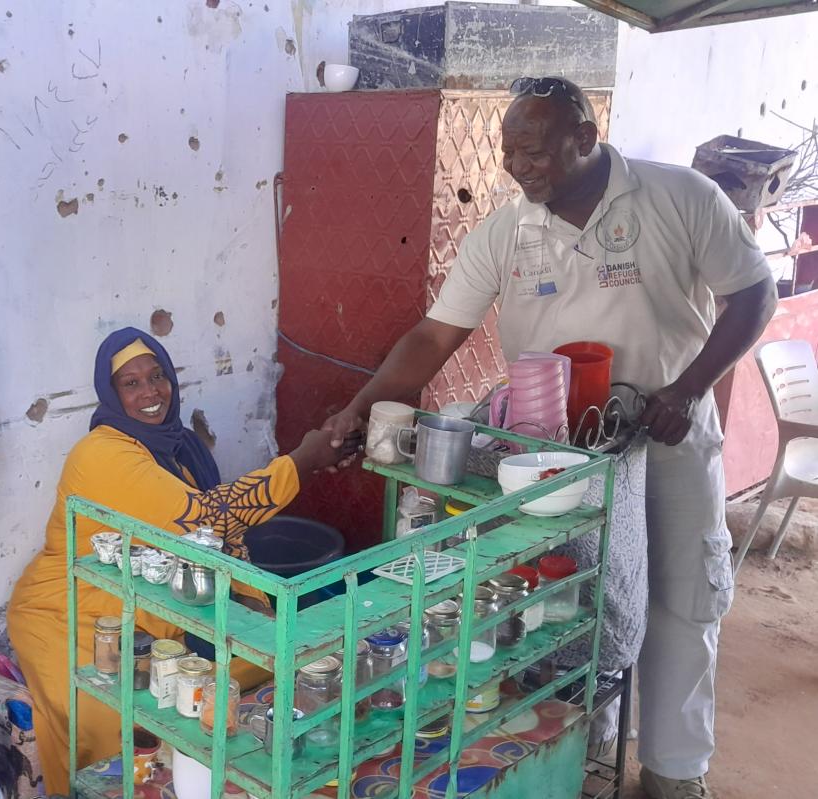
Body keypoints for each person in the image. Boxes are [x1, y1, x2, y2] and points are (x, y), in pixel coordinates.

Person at [322, 77, 775, 799]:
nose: (518, 165)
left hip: (669, 434)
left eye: (533, 149)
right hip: (561, 462)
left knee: (681, 602)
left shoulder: (678, 196)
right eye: (508, 151)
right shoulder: (507, 230)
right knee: (571, 608)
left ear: (586, 138)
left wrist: (687, 389)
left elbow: (755, 293)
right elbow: (434, 334)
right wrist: (358, 409)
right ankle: (577, 752)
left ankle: (674, 772)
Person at [7, 327, 343, 795]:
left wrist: (252, 602)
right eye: (131, 383)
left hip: (142, 605)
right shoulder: (103, 453)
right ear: (111, 392)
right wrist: (301, 462)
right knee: (113, 716)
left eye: (158, 375)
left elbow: (218, 539)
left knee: (253, 669)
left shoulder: (178, 448)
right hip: (67, 614)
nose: (150, 392)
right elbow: (207, 517)